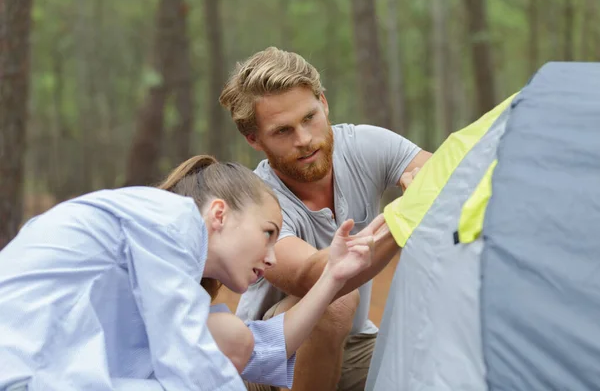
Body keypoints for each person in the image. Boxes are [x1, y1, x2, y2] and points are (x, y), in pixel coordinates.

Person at [0, 155, 378, 391]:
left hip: (51, 368)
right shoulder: (170, 221)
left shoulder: (167, 262)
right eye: (267, 233)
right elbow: (191, 366)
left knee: (230, 338)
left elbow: (257, 350)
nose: (272, 257)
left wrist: (333, 277)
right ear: (219, 214)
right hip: (21, 371)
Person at [219, 46, 431, 390]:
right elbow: (315, 276)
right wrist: (406, 215)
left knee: (432, 372)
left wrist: (425, 180)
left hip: (356, 343)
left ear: (324, 103)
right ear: (254, 139)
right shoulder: (257, 201)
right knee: (335, 302)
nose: (304, 140)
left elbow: (442, 173)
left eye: (309, 118)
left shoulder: (363, 145)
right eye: (283, 131)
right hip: (271, 355)